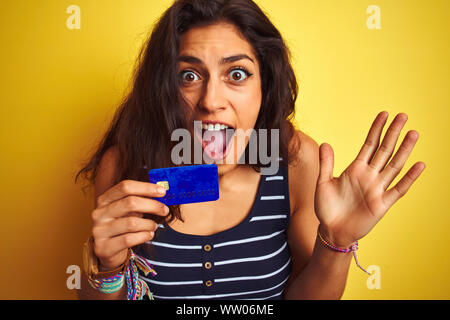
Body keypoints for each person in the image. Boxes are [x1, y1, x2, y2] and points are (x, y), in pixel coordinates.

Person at [75, 0, 425, 300]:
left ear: (265, 84)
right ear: (164, 88)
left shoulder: (295, 161)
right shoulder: (126, 166)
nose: (211, 101)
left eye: (237, 74)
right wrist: (107, 268)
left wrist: (337, 240)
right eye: (189, 76)